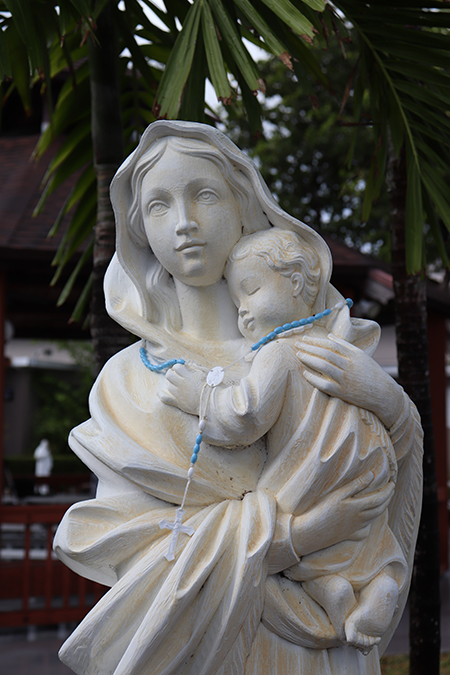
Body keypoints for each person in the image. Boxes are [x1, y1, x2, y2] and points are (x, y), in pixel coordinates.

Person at [53, 121, 422, 675]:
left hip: (324, 654)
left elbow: (382, 474)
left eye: (204, 195)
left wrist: (391, 406)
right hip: (209, 643)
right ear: (140, 232)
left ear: (245, 203)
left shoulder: (328, 349)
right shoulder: (128, 383)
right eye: (158, 206)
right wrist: (296, 536)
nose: (184, 224)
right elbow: (140, 548)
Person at [160, 228, 407, 653]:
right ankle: (376, 582)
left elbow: (245, 418)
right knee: (367, 534)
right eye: (237, 303)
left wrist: (200, 395)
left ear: (295, 282)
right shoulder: (337, 342)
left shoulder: (277, 352)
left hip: (319, 466)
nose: (243, 312)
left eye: (251, 290)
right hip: (367, 462)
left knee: (284, 525)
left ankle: (329, 585)